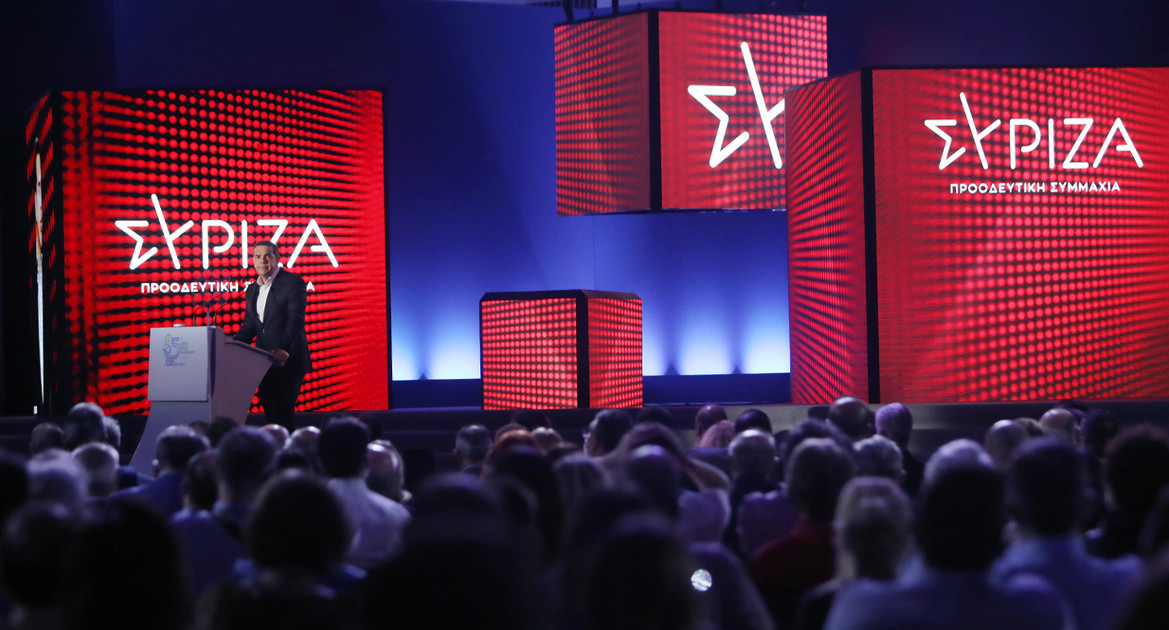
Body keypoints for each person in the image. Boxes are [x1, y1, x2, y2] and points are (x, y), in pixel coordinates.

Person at [235, 240, 311, 431]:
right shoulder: (252, 289)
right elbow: (250, 326)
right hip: (263, 361)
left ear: (277, 258)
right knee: (270, 417)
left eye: (267, 256)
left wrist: (283, 349)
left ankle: (289, 450)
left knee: (284, 416)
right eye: (257, 256)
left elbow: (295, 320)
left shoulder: (292, 282)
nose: (262, 260)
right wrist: (230, 345)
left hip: (289, 359)